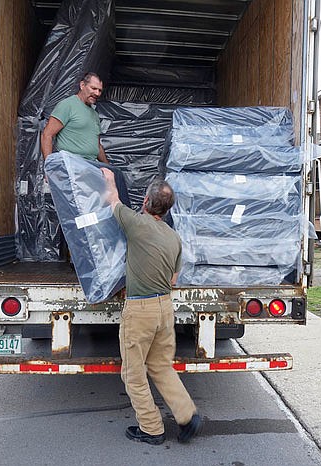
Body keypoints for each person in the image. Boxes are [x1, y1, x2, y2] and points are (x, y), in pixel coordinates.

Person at [101, 167, 203, 445]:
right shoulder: (174, 238)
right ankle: (187, 415)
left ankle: (151, 428)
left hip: (140, 311)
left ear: (146, 202)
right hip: (164, 307)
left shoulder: (135, 223)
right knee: (161, 366)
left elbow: (112, 200)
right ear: (168, 210)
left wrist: (108, 176)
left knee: (133, 374)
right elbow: (173, 278)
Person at [41, 72, 130, 205]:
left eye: (100, 90)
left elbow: (97, 146)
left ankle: (122, 221)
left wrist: (108, 167)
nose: (97, 93)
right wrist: (49, 168)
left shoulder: (93, 114)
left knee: (116, 176)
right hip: (74, 165)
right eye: (93, 88)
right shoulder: (68, 105)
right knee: (82, 207)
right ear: (82, 85)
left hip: (90, 165)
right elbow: (47, 135)